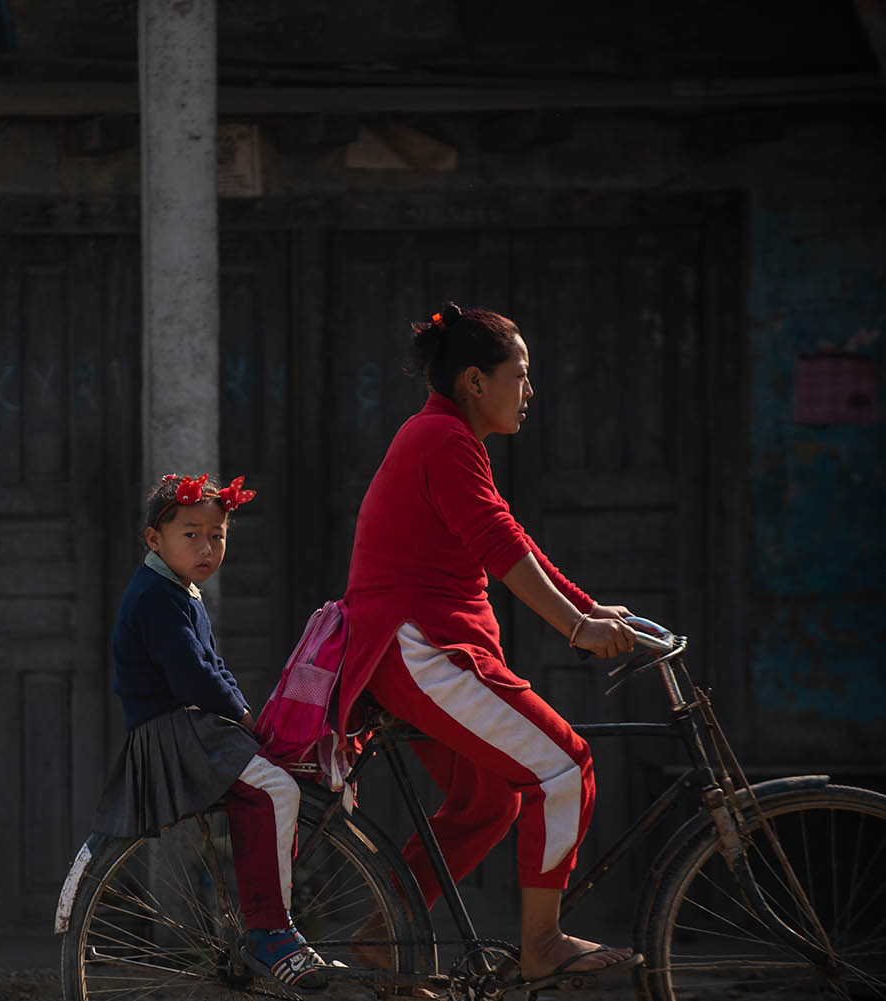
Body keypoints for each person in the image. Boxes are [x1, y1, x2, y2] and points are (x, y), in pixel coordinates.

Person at [336, 303, 643, 984]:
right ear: (475, 381)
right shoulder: (441, 438)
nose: (529, 390)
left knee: (489, 802)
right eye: (520, 374)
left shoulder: (445, 436)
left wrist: (586, 606)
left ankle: (385, 937)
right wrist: (576, 628)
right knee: (566, 766)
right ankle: (543, 944)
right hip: (423, 651)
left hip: (422, 651)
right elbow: (499, 545)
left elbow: (507, 534)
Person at [90, 472, 329, 991]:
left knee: (269, 785)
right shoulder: (156, 596)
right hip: (174, 734)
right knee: (277, 789)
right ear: (155, 539)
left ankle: (270, 920)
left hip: (191, 727)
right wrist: (242, 715)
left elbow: (212, 666)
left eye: (217, 536)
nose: (206, 547)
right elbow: (193, 676)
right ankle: (272, 931)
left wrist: (244, 713)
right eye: (191, 534)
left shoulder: (180, 591)